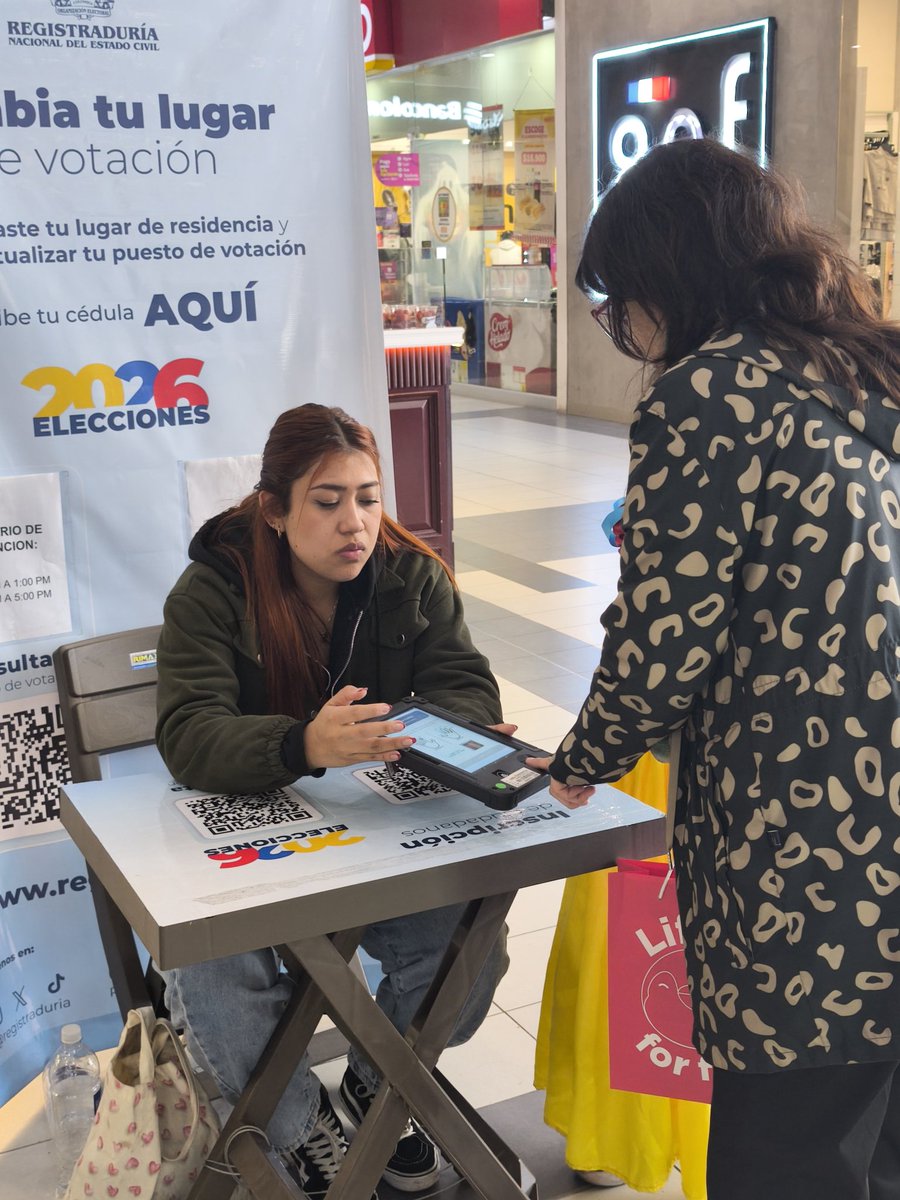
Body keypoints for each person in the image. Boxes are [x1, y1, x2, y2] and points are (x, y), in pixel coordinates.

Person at [526, 136, 900, 1200]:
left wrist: (579, 758)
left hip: (812, 849)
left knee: (781, 1158)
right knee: (873, 1147)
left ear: (669, 274)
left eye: (618, 305)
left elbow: (661, 643)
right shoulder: (861, 369)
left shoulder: (708, 393)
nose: (624, 332)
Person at [155, 403, 511, 1198]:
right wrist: (303, 746)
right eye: (328, 501)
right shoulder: (213, 587)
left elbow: (463, 681)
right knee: (211, 966)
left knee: (471, 940)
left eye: (369, 496)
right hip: (252, 837)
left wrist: (454, 730)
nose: (355, 523)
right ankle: (299, 1126)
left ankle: (381, 1093)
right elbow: (188, 732)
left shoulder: (408, 573)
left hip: (374, 834)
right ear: (276, 510)